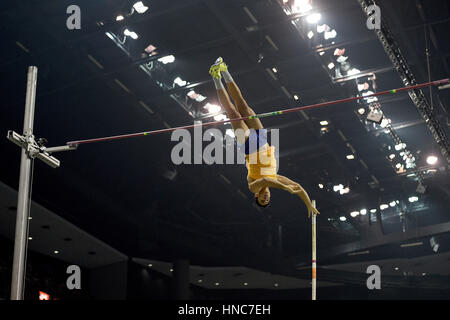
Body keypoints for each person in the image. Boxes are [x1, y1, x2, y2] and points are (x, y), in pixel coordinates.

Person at [209, 57, 320, 217]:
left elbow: (265, 182)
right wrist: (308, 204)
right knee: (243, 105)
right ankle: (224, 69)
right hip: (262, 141)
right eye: (267, 200)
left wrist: (286, 188)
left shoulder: (253, 186)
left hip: (247, 146)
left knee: (233, 112)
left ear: (257, 196)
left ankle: (216, 75)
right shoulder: (276, 177)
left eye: (262, 199)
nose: (265, 197)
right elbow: (297, 186)